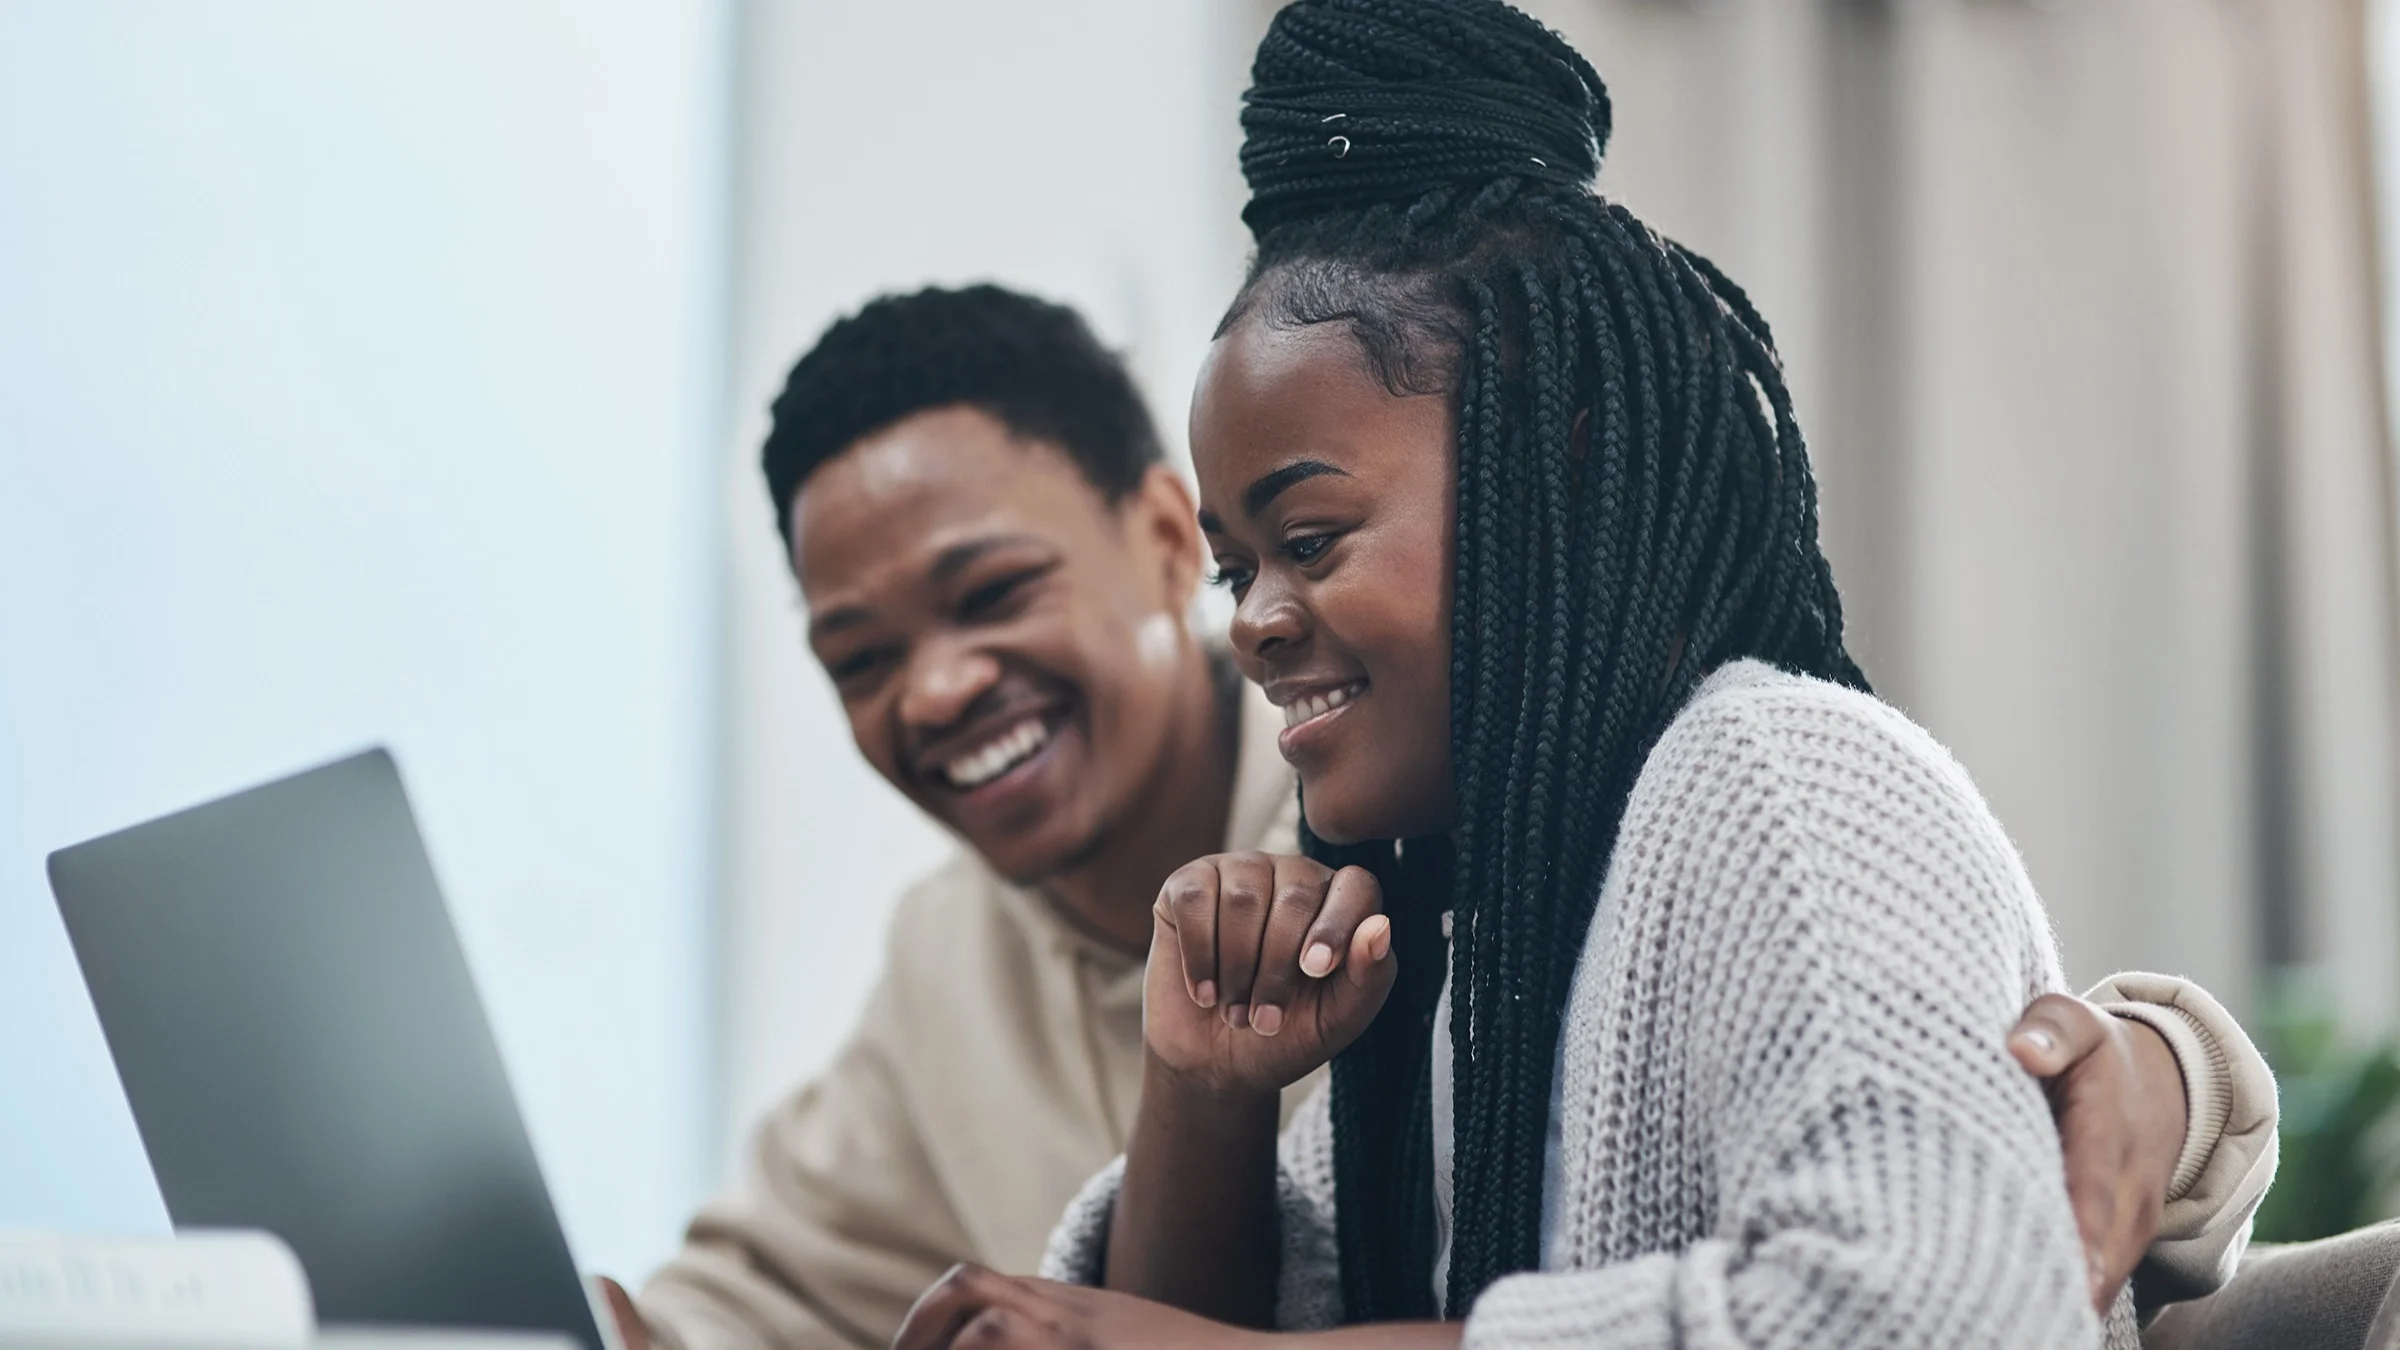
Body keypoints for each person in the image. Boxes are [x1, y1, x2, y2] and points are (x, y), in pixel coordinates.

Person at [885, 5, 2279, 1350]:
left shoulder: (1789, 786)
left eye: (1306, 539)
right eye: (1235, 568)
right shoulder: (1470, 920)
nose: (1251, 621)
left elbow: (1929, 1314)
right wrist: (1204, 1092)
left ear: (1559, 465)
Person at [609, 286, 2270, 1350]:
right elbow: (736, 1303)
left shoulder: (1433, 801)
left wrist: (2161, 1060)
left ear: (1153, 534)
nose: (937, 688)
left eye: (991, 593)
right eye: (862, 657)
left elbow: (1912, 1053)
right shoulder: (958, 957)